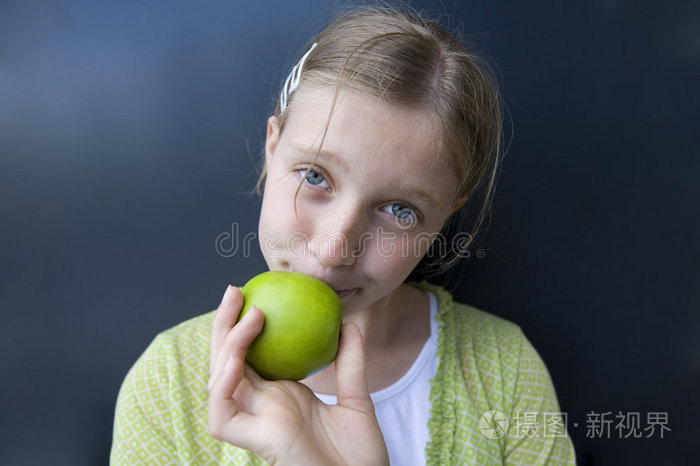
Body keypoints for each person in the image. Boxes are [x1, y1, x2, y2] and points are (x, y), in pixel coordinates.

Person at [111, 4, 576, 465]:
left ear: (443, 220)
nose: (334, 250)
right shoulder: (168, 385)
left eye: (399, 210)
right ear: (273, 150)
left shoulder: (505, 374)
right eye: (314, 176)